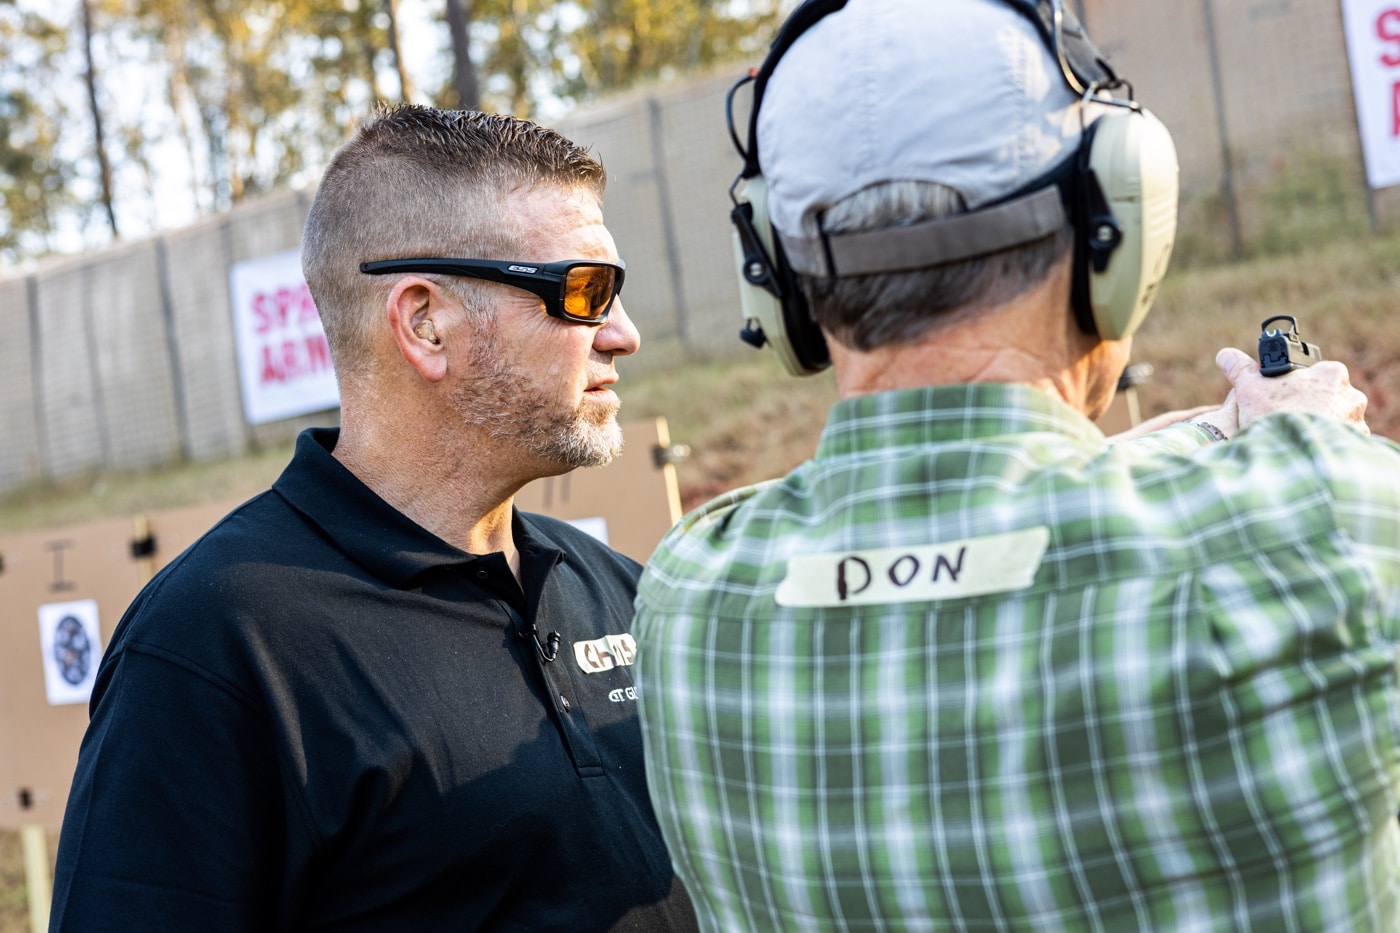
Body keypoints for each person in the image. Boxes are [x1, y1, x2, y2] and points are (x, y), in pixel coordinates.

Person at [632, 1, 1400, 931]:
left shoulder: (689, 589)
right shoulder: (1328, 512)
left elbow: (962, 570)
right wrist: (1306, 436)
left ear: (780, 283)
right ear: (1120, 222)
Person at [50, 105, 697, 931]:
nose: (624, 335)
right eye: (584, 292)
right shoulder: (215, 645)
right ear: (425, 323)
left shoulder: (613, 585)